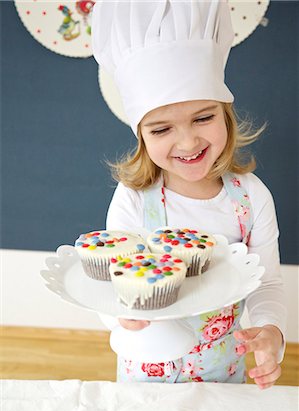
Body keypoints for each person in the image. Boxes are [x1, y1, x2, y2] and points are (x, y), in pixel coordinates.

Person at [92, 0, 287, 388]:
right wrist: (120, 316)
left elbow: (267, 283)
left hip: (222, 374)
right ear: (142, 137)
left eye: (203, 117)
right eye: (162, 129)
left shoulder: (250, 200)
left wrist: (271, 332)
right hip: (146, 376)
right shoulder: (133, 199)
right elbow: (110, 283)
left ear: (225, 113)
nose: (187, 141)